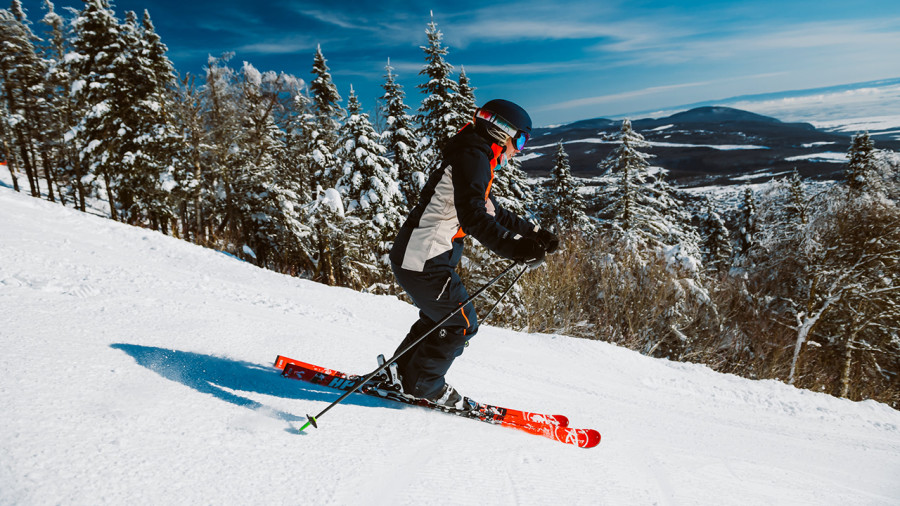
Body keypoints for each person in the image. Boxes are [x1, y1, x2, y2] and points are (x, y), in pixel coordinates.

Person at [387, 99, 560, 408]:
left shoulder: (474, 155)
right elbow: (474, 218)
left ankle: (400, 375)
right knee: (461, 322)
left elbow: (492, 211)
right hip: (423, 258)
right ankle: (423, 385)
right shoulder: (473, 157)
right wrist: (516, 248)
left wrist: (534, 234)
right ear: (500, 131)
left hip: (422, 254)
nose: (518, 150)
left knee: (439, 318)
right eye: (519, 140)